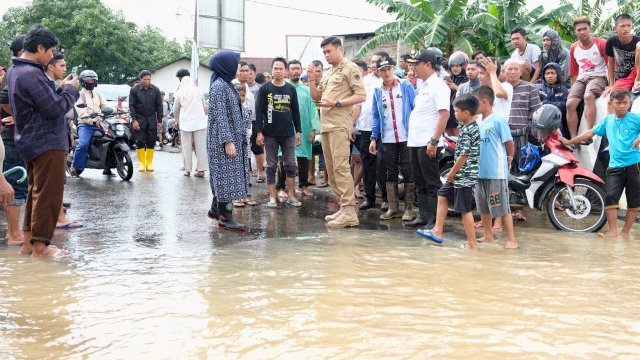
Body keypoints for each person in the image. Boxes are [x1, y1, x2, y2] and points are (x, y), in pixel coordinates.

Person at [7, 24, 79, 258]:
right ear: (39, 48)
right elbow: (54, 108)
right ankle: (41, 247)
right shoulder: (31, 74)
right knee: (48, 194)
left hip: (32, 141)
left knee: (37, 193)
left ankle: (29, 244)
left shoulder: (17, 71)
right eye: (50, 51)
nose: (51, 57)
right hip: (46, 142)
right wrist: (70, 90)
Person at [560, 89, 640, 237]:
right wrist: (570, 141)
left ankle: (626, 232)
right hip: (614, 166)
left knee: (634, 200)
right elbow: (590, 133)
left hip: (634, 165)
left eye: (625, 103)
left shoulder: (636, 118)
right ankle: (613, 231)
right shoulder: (608, 120)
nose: (622, 106)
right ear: (611, 104)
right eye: (618, 102)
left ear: (629, 104)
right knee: (610, 197)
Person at [308, 37, 366, 228]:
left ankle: (350, 211)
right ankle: (343, 207)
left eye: (329, 51)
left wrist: (337, 103)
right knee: (331, 171)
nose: (326, 55)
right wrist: (311, 79)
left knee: (341, 168)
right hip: (326, 125)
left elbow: (361, 95)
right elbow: (317, 98)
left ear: (340, 49)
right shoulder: (327, 72)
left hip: (340, 125)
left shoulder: (350, 68)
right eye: (324, 52)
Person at [417, 94, 481, 248]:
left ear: (466, 112)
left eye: (457, 111)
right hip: (461, 174)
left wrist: (451, 173)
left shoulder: (468, 131)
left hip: (463, 176)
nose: (455, 114)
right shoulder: (469, 128)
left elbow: (463, 156)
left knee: (464, 209)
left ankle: (472, 243)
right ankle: (437, 231)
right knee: (442, 195)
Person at [405, 49, 450, 230]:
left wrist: (433, 141)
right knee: (420, 181)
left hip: (428, 142)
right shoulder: (422, 85)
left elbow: (444, 114)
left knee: (432, 182)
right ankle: (424, 216)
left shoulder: (439, 86)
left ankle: (436, 220)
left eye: (417, 64)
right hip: (415, 141)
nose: (414, 68)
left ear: (428, 65)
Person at [206, 50, 250, 230]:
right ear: (226, 65)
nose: (238, 67)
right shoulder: (218, 87)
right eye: (236, 64)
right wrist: (227, 141)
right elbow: (220, 116)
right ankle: (225, 217)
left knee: (226, 176)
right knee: (225, 177)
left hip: (229, 137)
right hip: (222, 140)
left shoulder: (225, 84)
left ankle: (215, 210)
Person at [370, 54, 417, 222]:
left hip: (406, 136)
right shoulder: (377, 91)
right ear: (379, 72)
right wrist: (374, 137)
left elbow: (415, 107)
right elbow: (375, 115)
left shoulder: (405, 86)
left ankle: (409, 209)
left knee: (407, 169)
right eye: (382, 70)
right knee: (390, 171)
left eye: (388, 69)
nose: (386, 72)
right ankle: (393, 207)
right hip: (388, 137)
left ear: (393, 68)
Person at [473, 85, 518, 249]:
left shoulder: (498, 120)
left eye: (475, 103)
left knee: (502, 206)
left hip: (495, 171)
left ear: (484, 102)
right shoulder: (477, 122)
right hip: (479, 171)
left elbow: (509, 142)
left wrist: (509, 158)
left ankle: (511, 238)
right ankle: (487, 235)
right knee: (483, 206)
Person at [255, 57, 302, 208]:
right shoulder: (265, 89)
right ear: (272, 70)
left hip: (288, 133)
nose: (278, 71)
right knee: (271, 165)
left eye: (281, 68)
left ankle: (292, 196)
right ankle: (272, 197)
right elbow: (259, 112)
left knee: (290, 164)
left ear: (286, 71)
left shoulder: (291, 89)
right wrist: (259, 132)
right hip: (270, 134)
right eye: (275, 68)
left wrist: (299, 131)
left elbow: (295, 112)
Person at [0, 34, 26, 247]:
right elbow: (4, 98)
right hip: (12, 137)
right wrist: (19, 118)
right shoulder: (15, 72)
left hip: (17, 138)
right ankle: (14, 234)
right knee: (14, 183)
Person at [566, 16, 609, 138]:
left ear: (590, 29)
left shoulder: (601, 43)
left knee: (588, 96)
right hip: (582, 78)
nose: (582, 32)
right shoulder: (574, 47)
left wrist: (611, 85)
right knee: (570, 103)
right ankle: (574, 137)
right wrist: (573, 89)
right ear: (575, 32)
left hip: (599, 76)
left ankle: (588, 133)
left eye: (584, 29)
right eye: (579, 30)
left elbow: (610, 65)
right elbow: (573, 71)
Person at [356, 52, 386, 211]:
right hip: (366, 128)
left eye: (377, 62)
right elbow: (358, 104)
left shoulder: (391, 81)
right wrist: (352, 125)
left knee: (384, 165)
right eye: (373, 62)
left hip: (386, 131)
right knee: (367, 164)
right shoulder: (364, 81)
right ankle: (369, 198)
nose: (374, 65)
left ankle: (387, 199)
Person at [288, 60, 320, 197]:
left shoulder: (307, 91)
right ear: (287, 71)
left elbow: (313, 109)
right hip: (286, 129)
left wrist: (313, 129)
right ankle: (282, 187)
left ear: (301, 71)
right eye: (292, 68)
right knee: (285, 158)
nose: (295, 71)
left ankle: (303, 186)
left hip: (305, 127)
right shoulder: (283, 88)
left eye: (297, 68)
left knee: (303, 158)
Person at [70, 69, 107, 177]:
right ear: (83, 82)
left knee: (111, 139)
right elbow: (81, 112)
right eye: (89, 80)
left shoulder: (97, 94)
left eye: (93, 80)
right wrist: (91, 119)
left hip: (99, 123)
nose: (92, 82)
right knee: (83, 145)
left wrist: (115, 110)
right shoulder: (79, 95)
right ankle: (75, 167)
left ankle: (108, 166)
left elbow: (105, 106)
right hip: (85, 125)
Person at [173, 73, 208, 177]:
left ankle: (187, 170)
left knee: (186, 147)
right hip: (200, 122)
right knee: (200, 147)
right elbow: (203, 105)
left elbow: (176, 108)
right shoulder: (199, 90)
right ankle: (201, 170)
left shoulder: (180, 92)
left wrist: (176, 120)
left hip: (186, 123)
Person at [129, 70, 162, 172]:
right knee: (140, 142)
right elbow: (132, 105)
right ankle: (142, 164)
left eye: (149, 79)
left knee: (151, 141)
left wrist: (159, 121)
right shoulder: (134, 90)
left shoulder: (156, 90)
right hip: (139, 120)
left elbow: (159, 106)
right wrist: (134, 120)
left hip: (152, 119)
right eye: (145, 79)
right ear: (140, 79)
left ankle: (149, 163)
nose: (147, 81)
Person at [236, 62, 264, 183]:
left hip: (249, 127)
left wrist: (256, 130)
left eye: (247, 71)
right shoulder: (231, 86)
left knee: (248, 153)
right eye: (242, 71)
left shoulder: (250, 92)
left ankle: (246, 180)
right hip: (234, 129)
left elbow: (254, 113)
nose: (245, 73)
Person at [232, 81, 257, 207]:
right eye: (238, 95)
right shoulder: (229, 111)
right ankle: (235, 196)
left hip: (244, 144)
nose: (240, 98)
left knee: (245, 169)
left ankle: (245, 194)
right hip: (232, 146)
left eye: (242, 95)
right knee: (234, 170)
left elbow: (248, 128)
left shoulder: (246, 110)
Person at [603, 14, 640, 96]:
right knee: (615, 95)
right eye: (622, 26)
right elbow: (610, 64)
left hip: (637, 73)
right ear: (615, 28)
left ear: (632, 27)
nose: (626, 29)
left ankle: (637, 82)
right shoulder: (611, 41)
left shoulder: (638, 40)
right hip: (623, 77)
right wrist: (611, 85)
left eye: (628, 26)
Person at [538, 63, 568, 136]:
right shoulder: (538, 88)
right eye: (547, 73)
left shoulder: (563, 90)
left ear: (558, 74)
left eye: (553, 73)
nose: (550, 76)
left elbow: (564, 105)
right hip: (540, 119)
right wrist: (554, 104)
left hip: (557, 119)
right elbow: (536, 105)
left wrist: (545, 103)